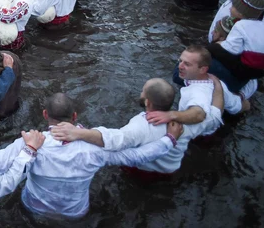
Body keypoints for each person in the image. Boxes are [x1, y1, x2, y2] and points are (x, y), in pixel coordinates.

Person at [0, 93, 183, 219]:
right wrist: (169, 140)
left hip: (34, 206)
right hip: (75, 212)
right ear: (74, 117)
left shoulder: (31, 143)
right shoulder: (95, 148)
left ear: (45, 115)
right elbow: (133, 157)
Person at [50, 76, 224, 178]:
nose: (141, 93)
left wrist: (79, 132)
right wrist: (218, 88)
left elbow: (115, 141)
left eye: (143, 91)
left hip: (141, 173)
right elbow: (215, 116)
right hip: (169, 172)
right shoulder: (184, 123)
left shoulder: (141, 127)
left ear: (147, 101)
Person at [208, 0, 264, 95]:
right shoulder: (263, 23)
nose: (230, 9)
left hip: (248, 69)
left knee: (213, 48)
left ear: (241, 14)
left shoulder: (240, 25)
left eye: (234, 7)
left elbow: (231, 49)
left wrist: (219, 44)